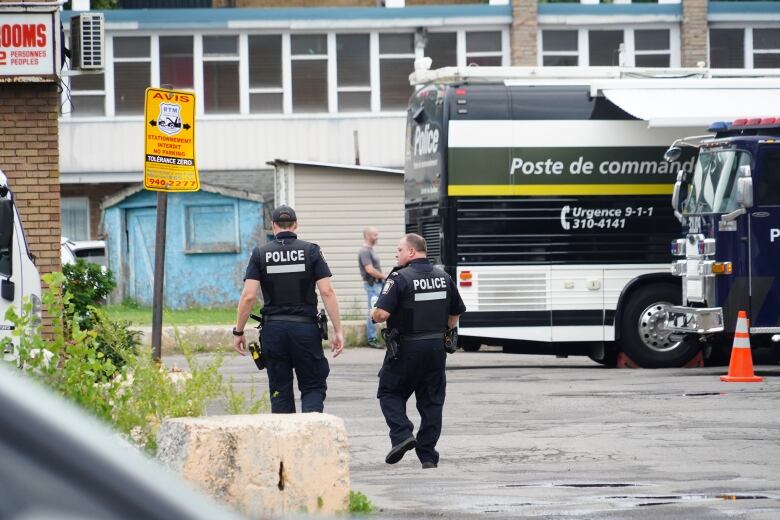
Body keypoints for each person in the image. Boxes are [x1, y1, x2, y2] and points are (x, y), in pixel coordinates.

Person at [233, 205, 344, 414]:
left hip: (273, 331)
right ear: (296, 225)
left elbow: (248, 296)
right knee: (312, 386)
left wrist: (238, 331)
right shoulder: (311, 250)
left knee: (280, 391)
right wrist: (338, 330)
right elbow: (327, 292)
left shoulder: (260, 254)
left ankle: (285, 443)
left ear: (273, 226)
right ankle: (311, 438)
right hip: (305, 330)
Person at [371, 233, 466, 469]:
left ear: (411, 252)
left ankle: (402, 434)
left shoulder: (399, 278)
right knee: (432, 402)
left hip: (406, 347)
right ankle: (428, 456)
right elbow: (456, 312)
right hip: (436, 348)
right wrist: (447, 331)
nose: (397, 254)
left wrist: (374, 314)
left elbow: (381, 314)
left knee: (389, 392)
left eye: (399, 250)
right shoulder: (444, 277)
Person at [358, 227, 384, 348]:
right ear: (368, 236)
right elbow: (369, 270)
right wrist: (385, 276)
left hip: (378, 284)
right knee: (373, 311)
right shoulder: (364, 251)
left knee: (378, 310)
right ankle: (372, 339)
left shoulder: (371, 250)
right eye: (375, 235)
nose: (377, 237)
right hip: (372, 285)